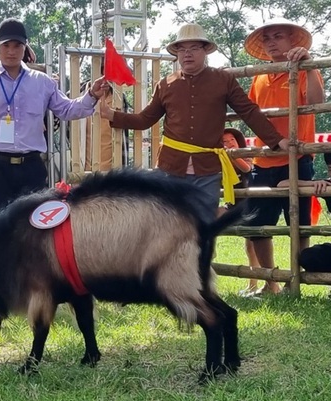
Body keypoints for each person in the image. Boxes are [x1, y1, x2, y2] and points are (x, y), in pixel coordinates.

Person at [99, 23, 289, 219]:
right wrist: (114, 115)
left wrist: (277, 140)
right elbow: (145, 119)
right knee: (167, 225)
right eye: (182, 49)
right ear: (177, 54)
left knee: (204, 225)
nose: (187, 54)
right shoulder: (165, 84)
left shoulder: (223, 80)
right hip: (170, 167)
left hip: (207, 169)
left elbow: (248, 111)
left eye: (194, 48)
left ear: (205, 51)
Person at [0, 18, 108, 213]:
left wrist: (91, 95)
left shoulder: (42, 82)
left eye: (17, 45)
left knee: (34, 229)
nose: (11, 51)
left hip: (31, 167)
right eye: (6, 45)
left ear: (25, 48)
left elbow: (67, 109)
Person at [243, 20, 325, 294]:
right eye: (266, 39)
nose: (271, 42)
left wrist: (309, 64)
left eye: (278, 36)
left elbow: (316, 102)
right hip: (263, 159)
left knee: (299, 225)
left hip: (297, 158)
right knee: (256, 226)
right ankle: (271, 283)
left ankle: (298, 281)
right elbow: (252, 114)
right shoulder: (259, 75)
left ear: (293, 41)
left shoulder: (304, 69)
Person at [219, 128, 260, 295]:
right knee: (209, 218)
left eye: (231, 141)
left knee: (251, 247)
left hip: (249, 204)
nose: (229, 144)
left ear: (238, 141)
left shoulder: (246, 154)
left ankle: (254, 284)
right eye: (224, 142)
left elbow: (246, 169)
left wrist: (230, 154)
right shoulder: (219, 159)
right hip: (232, 204)